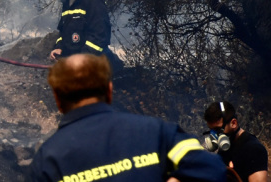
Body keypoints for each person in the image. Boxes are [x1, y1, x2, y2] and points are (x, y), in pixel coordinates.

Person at [32, 54, 227, 182]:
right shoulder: (156, 132)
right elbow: (214, 169)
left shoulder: (48, 159)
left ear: (57, 98)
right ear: (109, 91)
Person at [49, 0, 117, 68]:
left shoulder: (93, 1)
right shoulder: (66, 2)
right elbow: (63, 32)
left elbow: (99, 38)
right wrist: (58, 47)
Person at [203, 101, 268, 182]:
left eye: (218, 129)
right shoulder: (225, 147)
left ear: (233, 123)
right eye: (211, 130)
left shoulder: (254, 149)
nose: (214, 135)